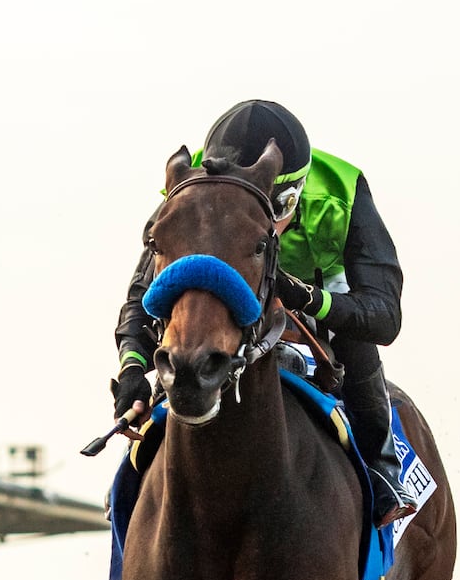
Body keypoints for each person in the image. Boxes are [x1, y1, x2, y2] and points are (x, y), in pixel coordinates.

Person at [112, 100, 414, 527]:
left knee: (358, 341)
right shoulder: (193, 185)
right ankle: (128, 488)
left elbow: (384, 316)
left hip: (320, 298)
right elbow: (144, 294)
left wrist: (307, 299)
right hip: (221, 299)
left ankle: (382, 474)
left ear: (290, 197)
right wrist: (131, 370)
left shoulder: (343, 190)